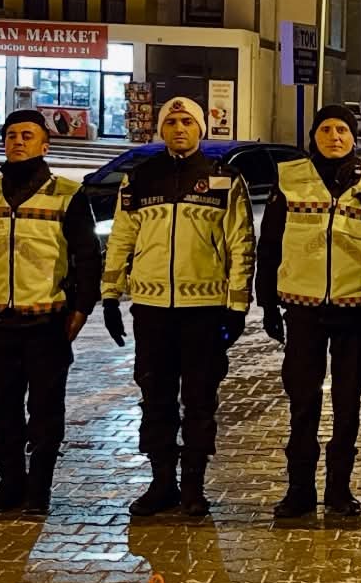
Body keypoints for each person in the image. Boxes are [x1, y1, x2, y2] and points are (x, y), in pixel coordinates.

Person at [101, 97, 255, 517]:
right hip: (151, 309)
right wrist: (110, 296)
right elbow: (121, 240)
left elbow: (241, 245)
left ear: (201, 128)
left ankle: (193, 487)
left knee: (200, 399)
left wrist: (237, 306)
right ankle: (161, 483)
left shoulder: (223, 178)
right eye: (172, 121)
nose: (179, 128)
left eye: (188, 121)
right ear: (162, 129)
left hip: (204, 310)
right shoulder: (139, 179)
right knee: (156, 397)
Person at [0, 109, 101, 515]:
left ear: (44, 144)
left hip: (47, 323)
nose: (17, 141)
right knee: (4, 413)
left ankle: (39, 490)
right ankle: (10, 485)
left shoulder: (67, 194)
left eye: (27, 135)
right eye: (11, 135)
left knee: (46, 413)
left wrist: (81, 309)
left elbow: (87, 256)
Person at [257, 105, 361, 519]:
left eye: (342, 130)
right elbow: (270, 244)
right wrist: (266, 302)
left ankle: (339, 490)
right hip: (302, 311)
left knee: (347, 404)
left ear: (354, 137)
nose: (334, 137)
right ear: (314, 135)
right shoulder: (290, 177)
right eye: (325, 129)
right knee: (302, 404)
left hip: (354, 313)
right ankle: (299, 490)